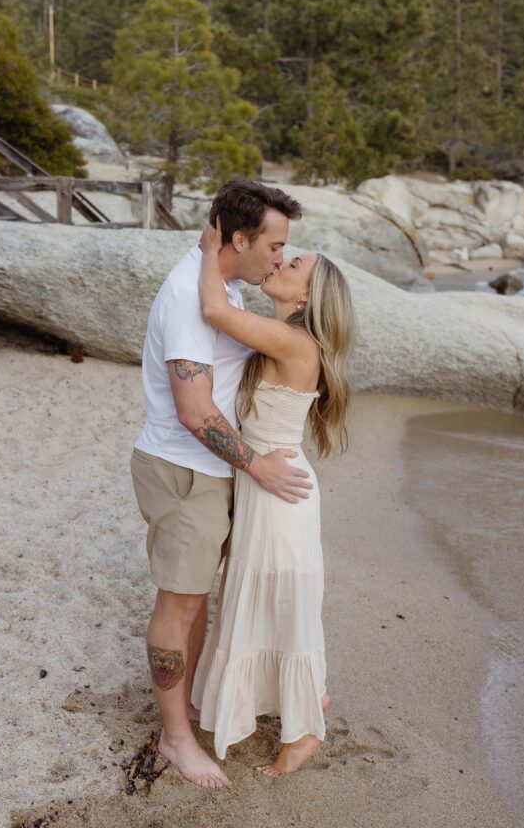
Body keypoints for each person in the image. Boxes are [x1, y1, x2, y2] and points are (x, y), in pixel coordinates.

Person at [130, 179, 311, 790]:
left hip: (212, 471)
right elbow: (194, 409)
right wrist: (256, 465)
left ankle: (191, 711)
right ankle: (175, 737)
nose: (281, 256)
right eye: (276, 243)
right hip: (187, 470)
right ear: (239, 238)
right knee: (179, 603)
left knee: (195, 598)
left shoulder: (221, 283)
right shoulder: (190, 293)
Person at [190, 218, 354, 775]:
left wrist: (213, 249)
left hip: (280, 493)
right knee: (270, 606)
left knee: (286, 611)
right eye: (284, 255)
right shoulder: (281, 334)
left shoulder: (292, 339)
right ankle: (303, 704)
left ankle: (304, 731)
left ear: (306, 294)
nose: (281, 262)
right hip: (268, 485)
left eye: (294, 263)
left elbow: (214, 311)